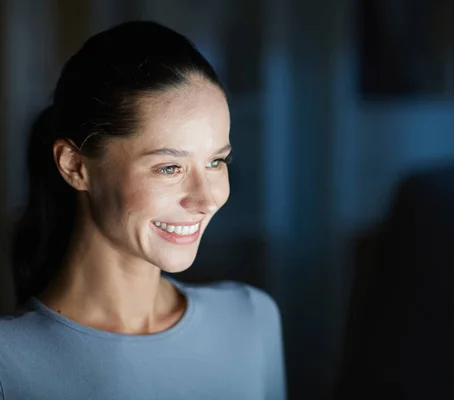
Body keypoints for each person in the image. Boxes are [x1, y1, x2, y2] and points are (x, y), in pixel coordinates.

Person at [0, 21, 286, 400]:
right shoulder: (8, 364)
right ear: (74, 166)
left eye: (217, 162)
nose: (206, 199)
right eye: (169, 168)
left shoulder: (251, 319)